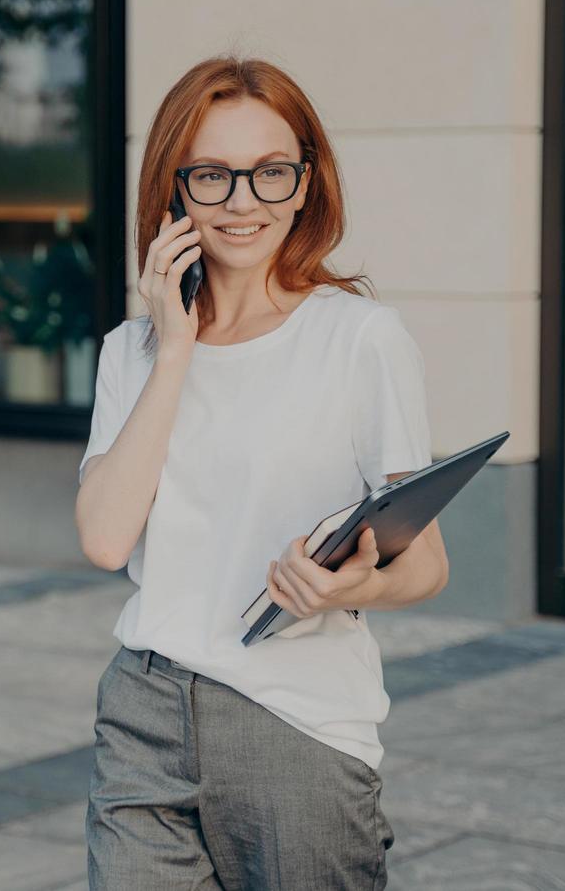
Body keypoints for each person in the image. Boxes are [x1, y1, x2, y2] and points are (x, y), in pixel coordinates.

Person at [75, 55, 452, 890]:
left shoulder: (359, 339)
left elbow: (425, 563)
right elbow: (105, 540)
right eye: (213, 175)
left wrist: (344, 587)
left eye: (271, 173)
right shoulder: (128, 353)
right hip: (144, 712)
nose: (245, 202)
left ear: (305, 183)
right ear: (174, 190)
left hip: (298, 721)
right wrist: (174, 347)